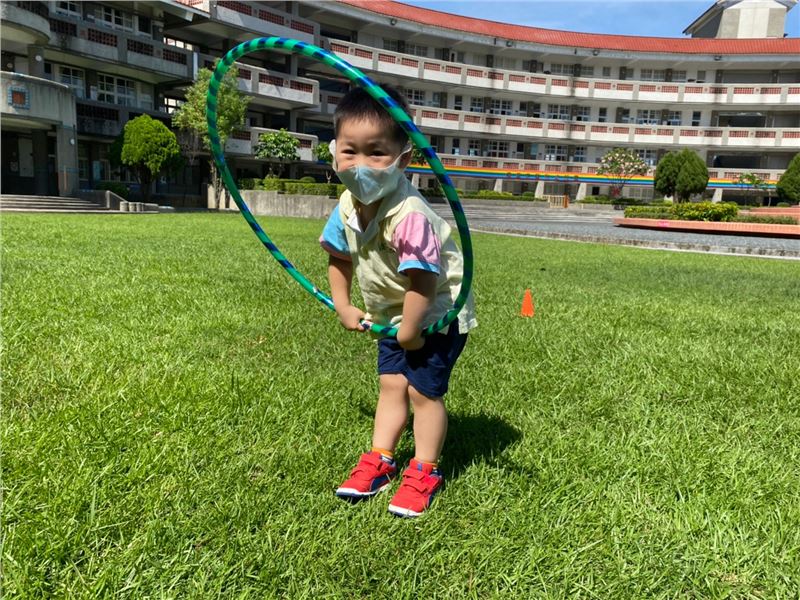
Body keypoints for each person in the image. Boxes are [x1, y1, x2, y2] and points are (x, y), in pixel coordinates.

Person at [319, 85, 477, 518]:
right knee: (391, 384)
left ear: (403, 159)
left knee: (423, 391)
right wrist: (343, 305)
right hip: (390, 313)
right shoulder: (347, 205)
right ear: (334, 152)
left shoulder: (409, 216)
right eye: (350, 151)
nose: (361, 165)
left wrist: (411, 331)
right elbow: (338, 257)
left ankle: (425, 470)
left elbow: (423, 280)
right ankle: (381, 459)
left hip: (435, 314)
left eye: (377, 153)